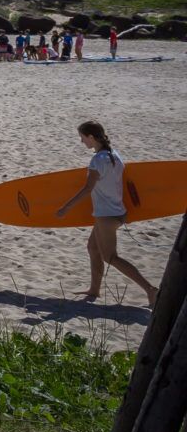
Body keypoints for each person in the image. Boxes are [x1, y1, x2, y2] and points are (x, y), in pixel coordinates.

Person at [56, 120, 158, 306]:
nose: (81, 142)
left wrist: (66, 207)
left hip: (106, 216)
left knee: (111, 257)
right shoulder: (114, 155)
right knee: (93, 248)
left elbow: (88, 189)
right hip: (115, 212)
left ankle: (150, 290)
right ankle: (94, 290)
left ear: (91, 137)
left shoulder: (97, 160)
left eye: (82, 138)